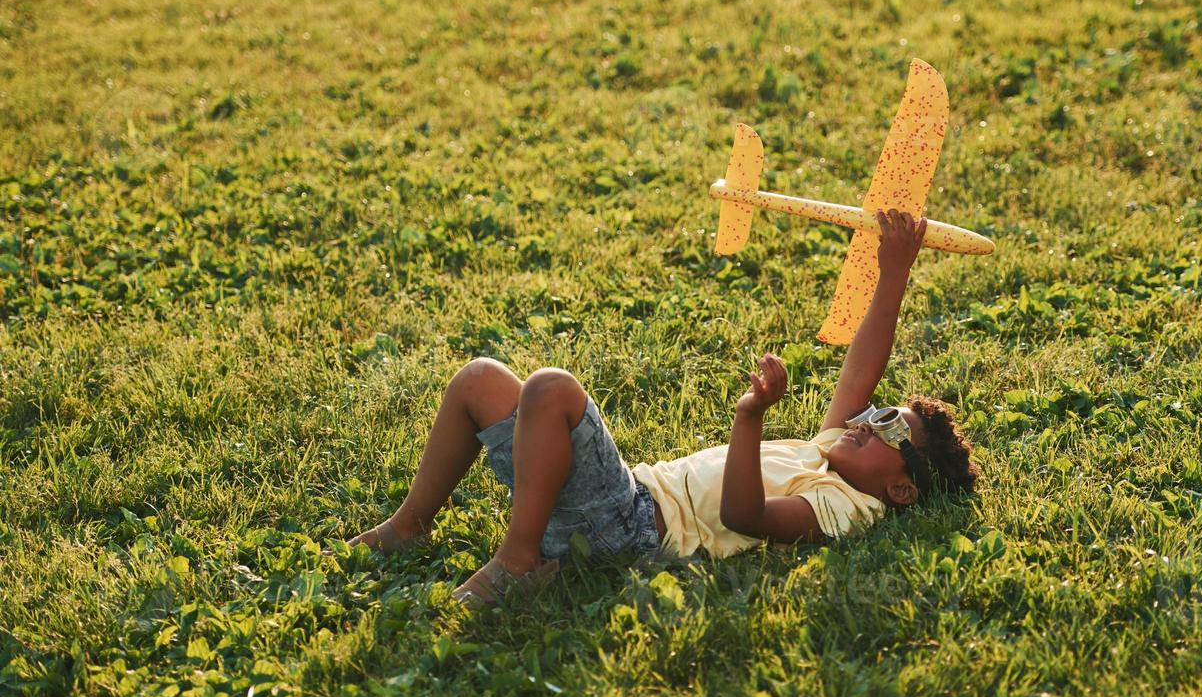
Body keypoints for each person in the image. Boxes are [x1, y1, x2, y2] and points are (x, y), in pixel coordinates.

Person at [347, 209, 979, 605]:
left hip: (637, 530)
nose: (867, 417)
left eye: (890, 425)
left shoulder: (847, 507)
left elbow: (746, 514)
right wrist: (893, 269)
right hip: (623, 500)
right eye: (875, 411)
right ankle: (408, 527)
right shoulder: (829, 451)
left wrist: (750, 415)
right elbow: (862, 363)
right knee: (480, 379)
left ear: (901, 490)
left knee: (553, 389)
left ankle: (519, 562)